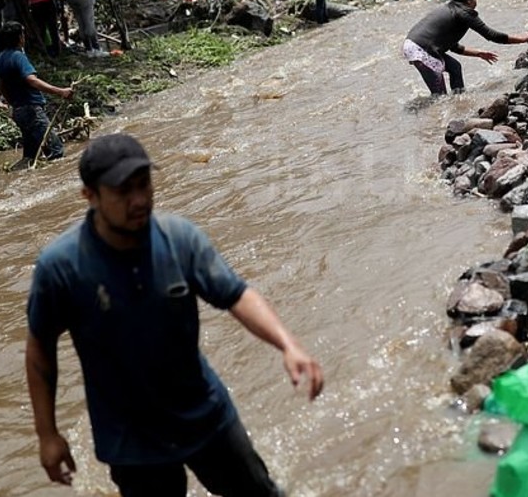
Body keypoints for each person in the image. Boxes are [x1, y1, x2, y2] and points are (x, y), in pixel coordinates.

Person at [24, 133, 324, 496]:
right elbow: (41, 347)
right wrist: (47, 434)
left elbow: (236, 294)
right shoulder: (61, 268)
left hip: (204, 416)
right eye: (123, 191)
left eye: (144, 185)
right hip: (132, 442)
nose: (139, 200)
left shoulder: (179, 239)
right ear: (90, 196)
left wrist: (288, 345)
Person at [402, 0, 528, 95]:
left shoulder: (451, 10)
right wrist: (522, 38)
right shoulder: (464, 13)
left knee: (454, 67)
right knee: (439, 95)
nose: (476, 1)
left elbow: (453, 46)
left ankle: (459, 99)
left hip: (416, 46)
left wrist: (478, 53)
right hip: (420, 49)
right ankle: (440, 120)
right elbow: (491, 35)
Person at [0, 22, 73, 162]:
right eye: (23, 34)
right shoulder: (18, 57)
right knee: (56, 151)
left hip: (19, 111)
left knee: (30, 157)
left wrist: (13, 106)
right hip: (32, 110)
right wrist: (60, 91)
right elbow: (32, 80)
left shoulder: (1, 57)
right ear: (20, 37)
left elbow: (2, 86)